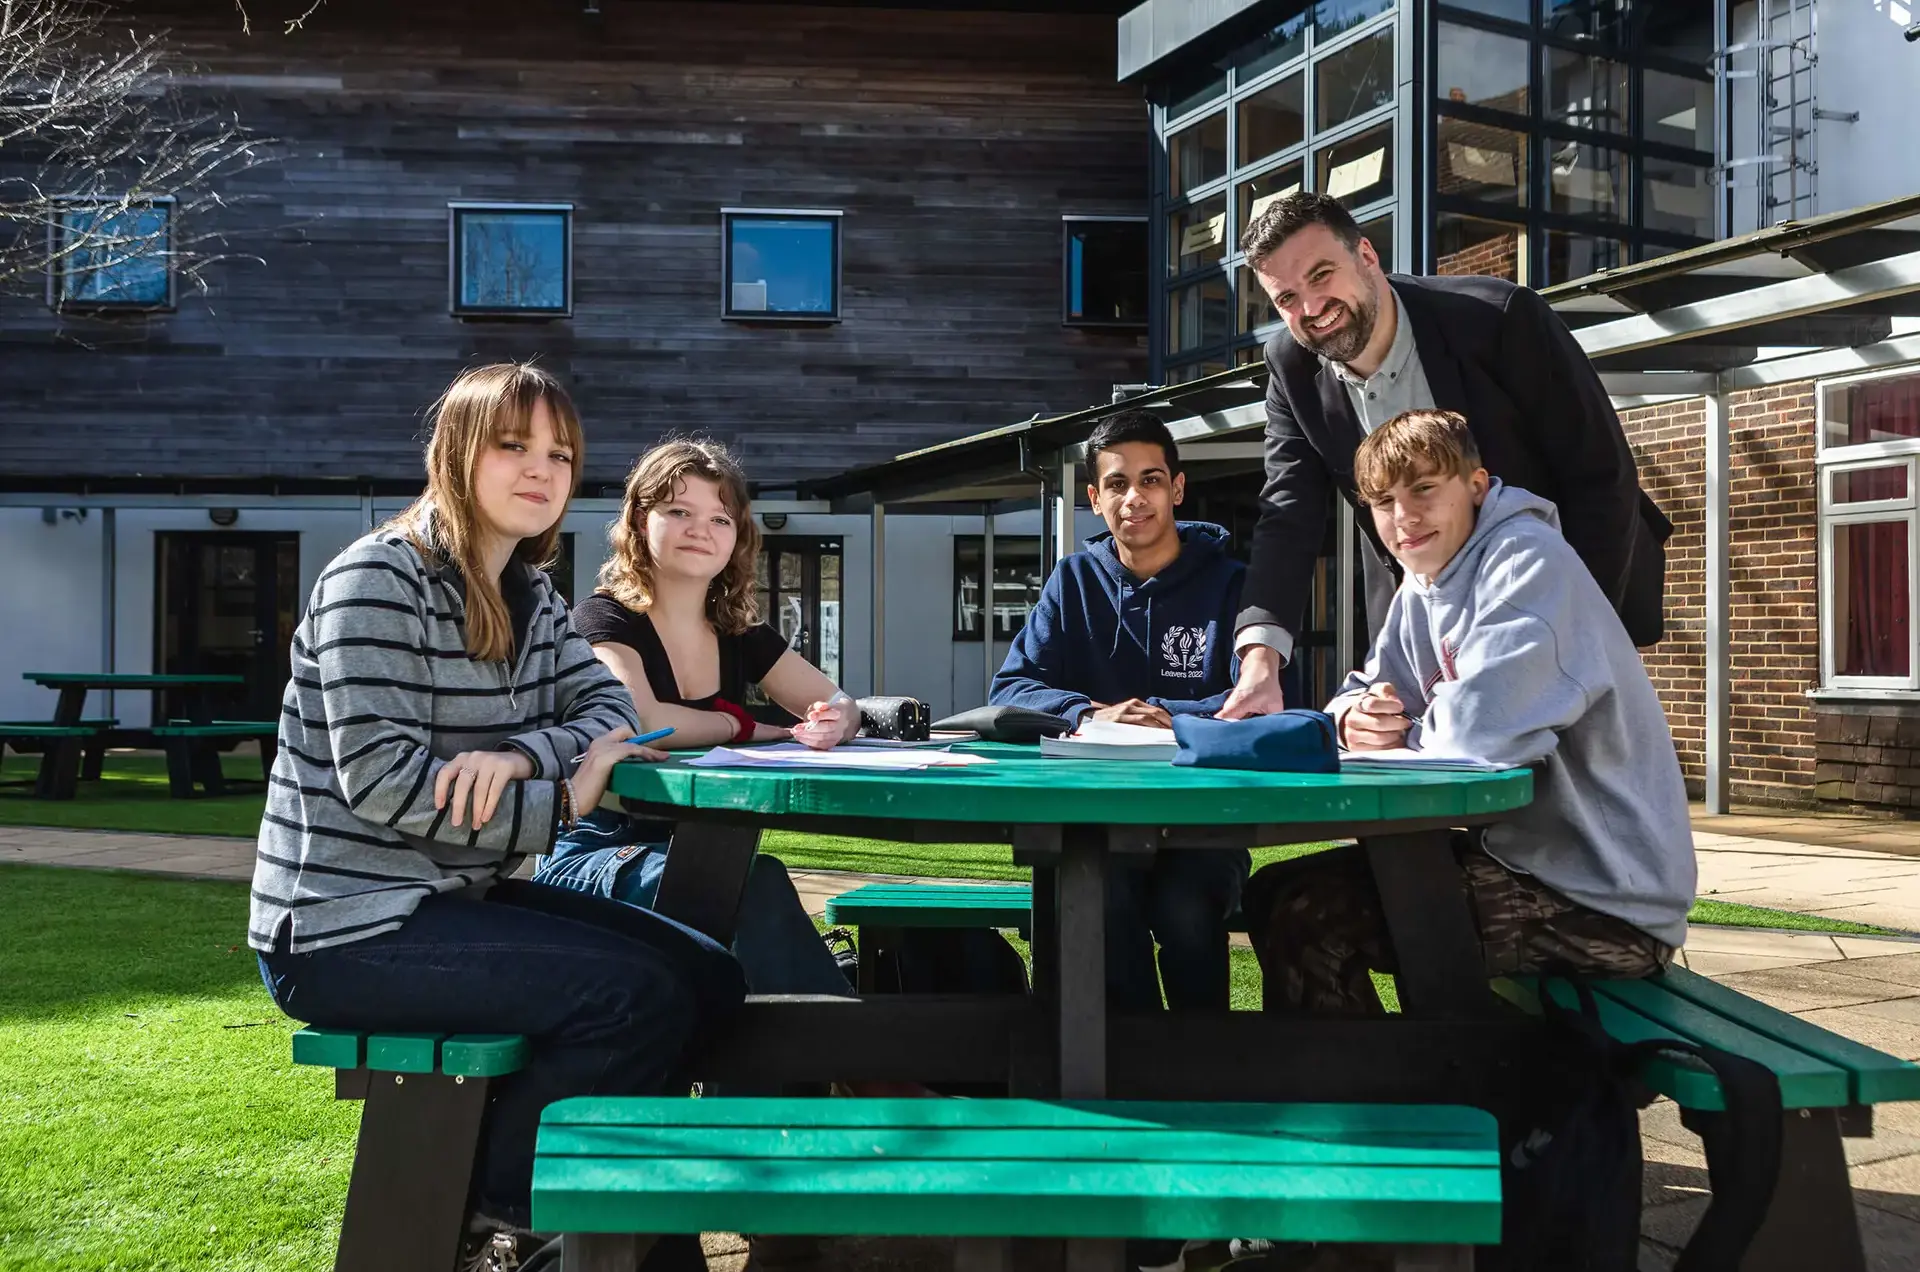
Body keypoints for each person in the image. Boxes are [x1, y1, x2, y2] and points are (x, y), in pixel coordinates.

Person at [249, 363, 742, 1272]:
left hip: (450, 899)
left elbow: (615, 717)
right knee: (634, 997)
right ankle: (506, 1216)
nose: (541, 470)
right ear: (456, 452)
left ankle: (617, 1220)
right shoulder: (378, 582)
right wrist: (560, 797)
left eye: (559, 453)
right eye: (513, 445)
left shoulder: (530, 593)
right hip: (342, 928)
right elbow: (388, 785)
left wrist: (521, 756)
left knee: (708, 975)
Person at [1243, 407, 1696, 1017]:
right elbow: (1367, 686)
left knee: (1310, 917)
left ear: (1476, 487)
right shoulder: (1424, 582)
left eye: (1424, 489)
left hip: (1604, 903)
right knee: (1274, 892)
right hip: (1521, 863)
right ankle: (1385, 1090)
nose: (1404, 517)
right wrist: (1353, 716)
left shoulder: (1529, 563)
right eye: (1384, 502)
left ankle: (1382, 1100)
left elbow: (1477, 736)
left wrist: (1403, 729)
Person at [1219, 192, 1672, 722]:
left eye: (1322, 275)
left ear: (1367, 255)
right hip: (1425, 608)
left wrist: (1573, 630)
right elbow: (1287, 515)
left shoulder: (1499, 317)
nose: (1311, 309)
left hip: (1567, 580)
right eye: (1286, 298)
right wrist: (1260, 662)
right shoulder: (1290, 367)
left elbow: (1599, 474)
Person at [530, 438, 859, 1002]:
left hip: (711, 851)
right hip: (595, 852)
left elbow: (838, 701)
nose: (699, 529)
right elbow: (639, 717)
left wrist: (834, 721)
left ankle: (831, 1067)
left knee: (750, 891)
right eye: (678, 511)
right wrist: (744, 726)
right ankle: (865, 1068)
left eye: (719, 517)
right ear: (639, 520)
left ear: (737, 537)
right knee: (745, 890)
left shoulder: (739, 632)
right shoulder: (601, 617)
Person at [989, 409, 1249, 1014]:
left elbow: (1255, 696)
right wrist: (1086, 714)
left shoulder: (1235, 584)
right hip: (1092, 821)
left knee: (1185, 907)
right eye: (1116, 484)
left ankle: (1206, 1062)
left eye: (1151, 480)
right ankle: (1128, 1066)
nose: (1135, 498)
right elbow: (1013, 686)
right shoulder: (1073, 580)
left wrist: (1166, 715)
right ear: (1094, 498)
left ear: (1177, 488)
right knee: (1094, 900)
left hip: (1202, 822)